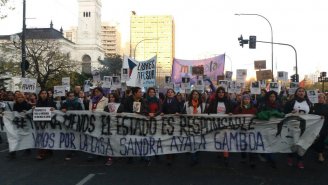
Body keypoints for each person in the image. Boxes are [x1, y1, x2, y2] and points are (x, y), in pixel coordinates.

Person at [284, 87, 313, 169]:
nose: (301, 92)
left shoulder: (309, 102)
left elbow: (311, 114)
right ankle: (290, 157)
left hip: (304, 126)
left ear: (305, 93)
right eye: (299, 91)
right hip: (293, 125)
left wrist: (319, 117)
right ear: (296, 93)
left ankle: (300, 160)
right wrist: (290, 112)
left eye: (303, 91)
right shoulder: (291, 102)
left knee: (302, 144)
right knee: (293, 143)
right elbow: (284, 112)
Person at [206, 87, 233, 166]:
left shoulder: (228, 101)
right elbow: (208, 111)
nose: (221, 93)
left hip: (225, 124)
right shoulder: (214, 101)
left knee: (225, 140)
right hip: (216, 124)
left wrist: (231, 113)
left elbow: (231, 110)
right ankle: (218, 151)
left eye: (222, 92)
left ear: (224, 93)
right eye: (219, 92)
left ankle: (226, 157)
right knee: (218, 139)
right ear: (217, 93)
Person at [233, 94, 258, 168]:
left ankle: (252, 160)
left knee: (251, 145)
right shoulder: (239, 108)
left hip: (251, 130)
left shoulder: (254, 109)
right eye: (245, 99)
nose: (246, 100)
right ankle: (243, 157)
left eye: (248, 99)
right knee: (242, 144)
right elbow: (235, 115)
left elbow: (257, 117)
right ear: (242, 100)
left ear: (250, 100)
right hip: (242, 129)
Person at [7, 92, 33, 159]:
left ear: (23, 98)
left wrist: (27, 112)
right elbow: (14, 113)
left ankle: (28, 149)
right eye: (18, 97)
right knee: (16, 137)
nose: (20, 99)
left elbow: (31, 113)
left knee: (26, 136)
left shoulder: (27, 104)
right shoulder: (15, 105)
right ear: (16, 99)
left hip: (26, 124)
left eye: (21, 97)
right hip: (18, 124)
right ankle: (13, 152)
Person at [182, 90, 203, 166]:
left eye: (197, 94)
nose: (195, 95)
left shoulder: (201, 105)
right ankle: (193, 158)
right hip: (189, 126)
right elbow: (183, 114)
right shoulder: (186, 104)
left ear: (198, 96)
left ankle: (196, 155)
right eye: (194, 94)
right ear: (191, 95)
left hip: (198, 126)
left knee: (197, 142)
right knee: (192, 142)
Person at [60, 91, 82, 161]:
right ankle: (71, 150)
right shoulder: (65, 103)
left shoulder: (78, 103)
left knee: (75, 136)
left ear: (75, 96)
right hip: (67, 122)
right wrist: (62, 109)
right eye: (70, 96)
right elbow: (60, 111)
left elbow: (82, 112)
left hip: (75, 122)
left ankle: (74, 149)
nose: (71, 97)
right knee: (69, 136)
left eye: (72, 96)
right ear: (68, 97)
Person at [35, 90, 56, 160]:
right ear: (40, 95)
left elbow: (56, 109)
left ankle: (43, 152)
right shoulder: (38, 102)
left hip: (48, 123)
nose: (44, 95)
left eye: (45, 93)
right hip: (40, 123)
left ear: (47, 95)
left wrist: (54, 109)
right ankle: (43, 151)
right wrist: (34, 109)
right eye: (42, 93)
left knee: (46, 136)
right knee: (41, 136)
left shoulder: (51, 101)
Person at [311, 93, 328, 163]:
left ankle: (320, 153)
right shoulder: (313, 106)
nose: (320, 99)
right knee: (317, 139)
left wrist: (324, 117)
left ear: (324, 98)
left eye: (322, 97)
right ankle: (319, 153)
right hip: (315, 126)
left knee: (321, 139)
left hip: (324, 126)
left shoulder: (327, 106)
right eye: (318, 97)